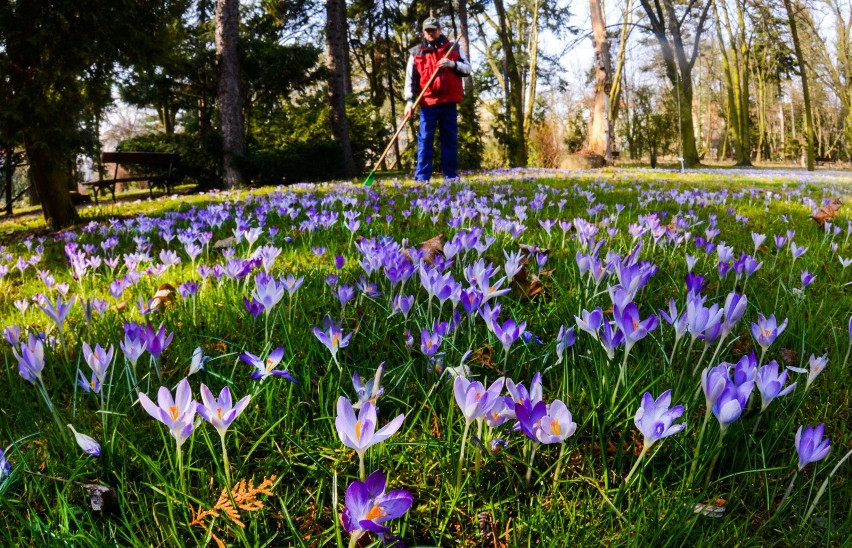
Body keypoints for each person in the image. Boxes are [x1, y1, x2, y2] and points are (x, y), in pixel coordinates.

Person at [404, 17, 471, 182]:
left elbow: (467, 70)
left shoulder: (453, 48)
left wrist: (451, 64)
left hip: (449, 102)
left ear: (440, 30)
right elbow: (410, 80)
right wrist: (409, 101)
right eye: (427, 30)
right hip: (428, 104)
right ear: (423, 32)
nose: (430, 33)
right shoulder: (416, 52)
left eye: (433, 30)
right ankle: (422, 178)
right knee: (425, 140)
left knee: (450, 140)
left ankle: (450, 177)